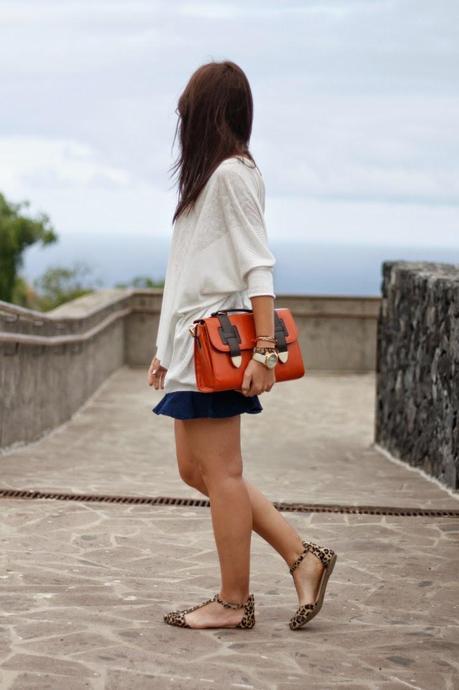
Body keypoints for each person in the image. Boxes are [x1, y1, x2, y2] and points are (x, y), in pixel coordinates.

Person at [147, 60, 337, 630]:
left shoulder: (232, 174)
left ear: (210, 111)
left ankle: (234, 602)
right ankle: (303, 557)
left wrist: (265, 352)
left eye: (188, 107)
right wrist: (162, 348)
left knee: (222, 472)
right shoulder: (212, 177)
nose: (181, 117)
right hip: (188, 349)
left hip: (216, 347)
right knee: (195, 470)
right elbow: (186, 271)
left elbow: (258, 266)